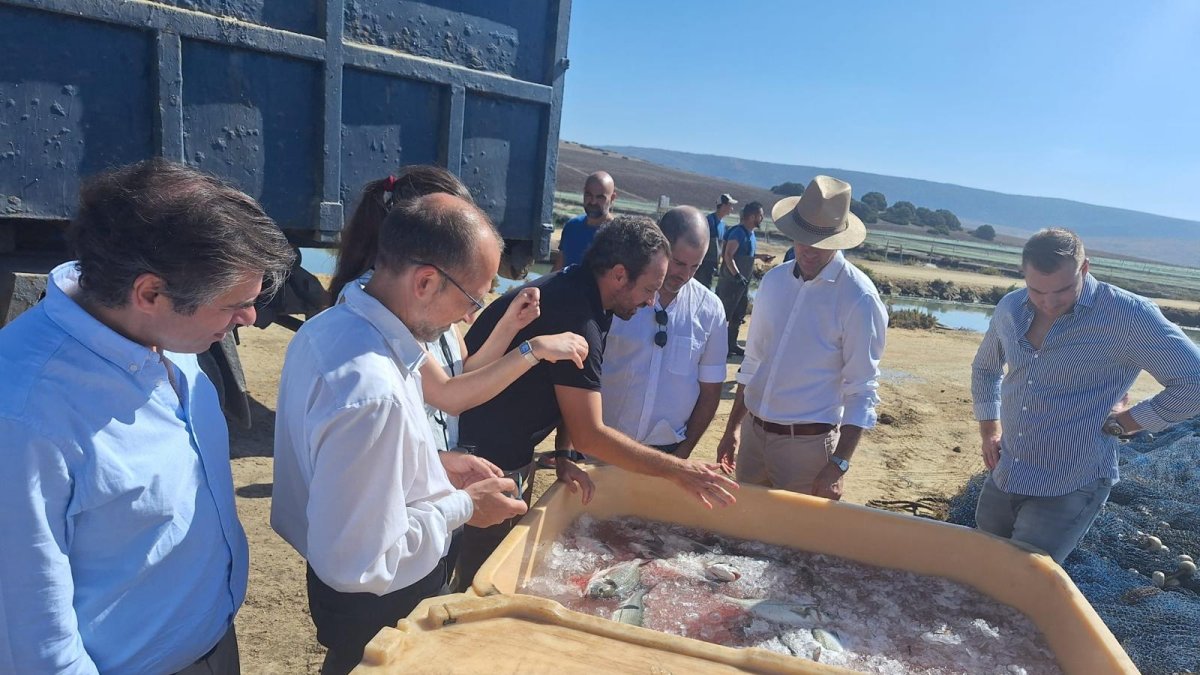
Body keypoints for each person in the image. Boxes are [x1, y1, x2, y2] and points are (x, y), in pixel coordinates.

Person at [0, 159, 295, 674]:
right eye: (235, 304)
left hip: (212, 643)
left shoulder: (162, 333)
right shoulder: (26, 410)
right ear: (151, 293)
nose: (249, 317)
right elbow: (31, 635)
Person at [272, 194, 537, 674]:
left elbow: (340, 467)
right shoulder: (375, 392)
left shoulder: (331, 328)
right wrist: (466, 506)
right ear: (426, 281)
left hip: (343, 585)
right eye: (472, 299)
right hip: (379, 601)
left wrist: (431, 462)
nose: (467, 317)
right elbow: (361, 565)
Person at [454, 215, 740, 589]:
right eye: (649, 289)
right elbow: (591, 434)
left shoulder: (582, 290)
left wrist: (565, 455)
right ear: (619, 275)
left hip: (500, 447)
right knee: (480, 579)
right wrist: (679, 472)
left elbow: (566, 392)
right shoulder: (578, 315)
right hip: (480, 457)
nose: (652, 301)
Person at [971, 227, 1200, 563]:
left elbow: (1193, 383)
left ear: (1085, 269)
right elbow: (985, 369)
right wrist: (989, 430)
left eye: (1062, 290)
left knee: (1021, 580)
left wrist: (1127, 423)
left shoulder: (1128, 315)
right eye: (1036, 290)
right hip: (1007, 470)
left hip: (1070, 481)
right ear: (1023, 274)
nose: (1048, 303)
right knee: (981, 565)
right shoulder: (1010, 307)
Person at [329, 166, 586, 451]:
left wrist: (511, 324)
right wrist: (533, 349)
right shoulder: (382, 300)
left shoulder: (430, 300)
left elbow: (462, 372)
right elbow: (448, 395)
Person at [717, 176, 887, 500]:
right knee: (741, 539)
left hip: (808, 451)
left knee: (796, 548)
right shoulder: (774, 282)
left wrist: (838, 465)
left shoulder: (859, 298)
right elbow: (753, 361)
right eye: (802, 237)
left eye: (820, 241)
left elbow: (862, 389)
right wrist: (732, 429)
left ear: (839, 239)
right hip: (753, 437)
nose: (808, 249)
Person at [601, 206, 728, 456]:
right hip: (603, 446)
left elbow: (711, 390)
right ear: (659, 243)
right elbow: (582, 372)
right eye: (678, 262)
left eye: (695, 266)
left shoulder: (710, 309)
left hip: (668, 453)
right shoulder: (618, 293)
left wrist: (684, 452)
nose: (685, 275)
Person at [715, 201, 775, 357]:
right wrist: (737, 275)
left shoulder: (750, 233)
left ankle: (731, 345)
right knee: (724, 315)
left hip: (742, 282)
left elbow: (745, 254)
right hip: (731, 281)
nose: (762, 219)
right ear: (753, 216)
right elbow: (728, 255)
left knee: (738, 315)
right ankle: (718, 347)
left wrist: (760, 257)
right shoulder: (738, 232)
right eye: (761, 216)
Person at [551, 170, 617, 272]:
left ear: (612, 198)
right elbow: (558, 269)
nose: (593, 202)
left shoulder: (618, 235)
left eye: (600, 197)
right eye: (589, 195)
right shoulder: (572, 227)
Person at [695, 192, 737, 288]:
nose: (732, 208)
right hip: (703, 264)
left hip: (712, 264)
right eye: (730, 205)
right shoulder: (708, 220)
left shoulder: (722, 225)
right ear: (723, 206)